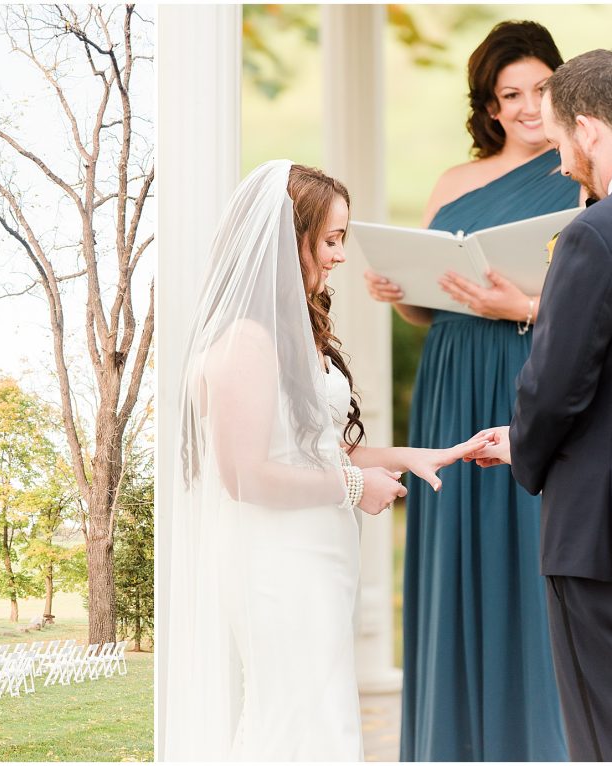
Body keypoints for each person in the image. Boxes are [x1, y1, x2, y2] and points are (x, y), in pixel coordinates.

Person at [163, 160, 488, 760]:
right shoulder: (245, 342)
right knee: (296, 720)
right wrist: (351, 486)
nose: (341, 256)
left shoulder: (290, 333)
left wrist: (422, 455)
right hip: (277, 562)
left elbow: (317, 446)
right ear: (293, 239)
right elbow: (244, 475)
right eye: (332, 240)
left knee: (323, 713)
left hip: (316, 555)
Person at [363, 21, 580, 761]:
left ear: (563, 82)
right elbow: (431, 301)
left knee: (530, 547)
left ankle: (538, 743)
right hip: (452, 374)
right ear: (488, 107)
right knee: (454, 546)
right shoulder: (455, 182)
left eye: (540, 88)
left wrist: (520, 307)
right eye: (507, 95)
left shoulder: (583, 173)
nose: (525, 107)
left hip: (529, 371)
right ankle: (452, 742)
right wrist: (398, 290)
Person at [466, 50, 612, 762]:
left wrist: (523, 443)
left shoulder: (595, 232)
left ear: (587, 129)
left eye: (556, 143)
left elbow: (555, 385)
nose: (559, 163)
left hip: (607, 538)